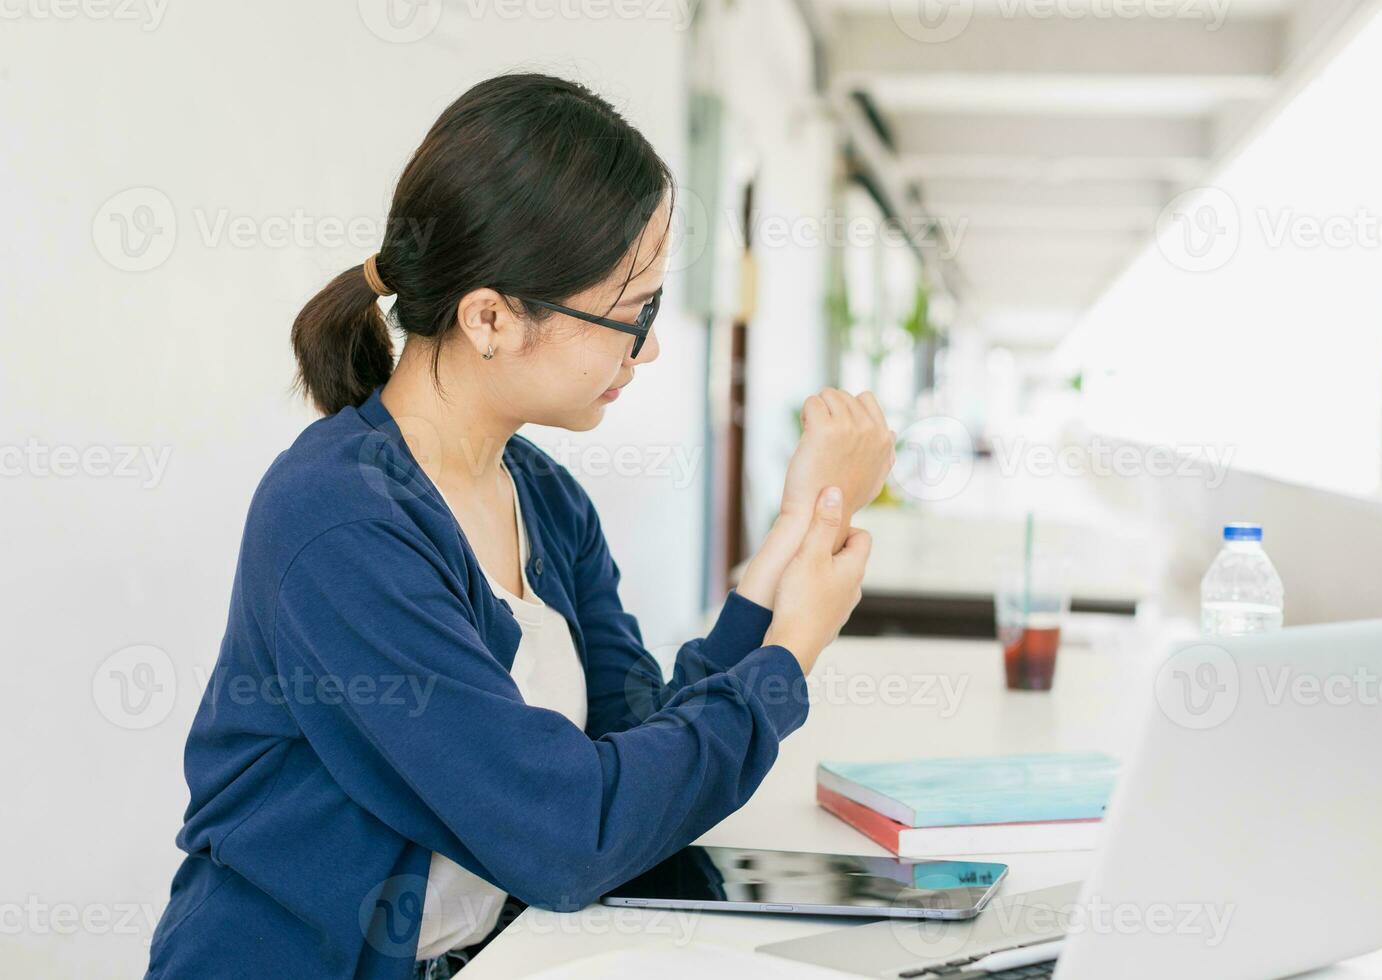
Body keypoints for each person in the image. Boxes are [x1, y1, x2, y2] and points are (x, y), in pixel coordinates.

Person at [144, 73, 894, 979]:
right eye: (631, 313)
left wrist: (795, 534)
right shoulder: (340, 521)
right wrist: (787, 664)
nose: (649, 347)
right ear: (490, 318)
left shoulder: (542, 497)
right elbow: (569, 836)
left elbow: (634, 757)